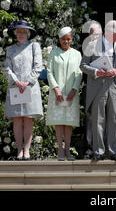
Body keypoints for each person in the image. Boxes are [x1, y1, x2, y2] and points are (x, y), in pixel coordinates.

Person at [80, 20, 116, 161]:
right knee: (98, 120)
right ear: (109, 32)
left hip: (113, 85)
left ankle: (113, 151)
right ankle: (98, 151)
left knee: (113, 119)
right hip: (98, 85)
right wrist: (95, 71)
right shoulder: (91, 45)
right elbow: (82, 65)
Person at [4, 20, 43, 160]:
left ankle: (27, 150)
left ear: (28, 33)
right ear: (15, 34)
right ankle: (19, 150)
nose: (21, 34)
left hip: (30, 87)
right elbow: (7, 68)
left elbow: (38, 66)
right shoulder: (10, 49)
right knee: (17, 119)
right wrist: (16, 81)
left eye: (23, 32)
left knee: (28, 118)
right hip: (15, 87)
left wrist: (27, 82)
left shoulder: (34, 46)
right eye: (18, 32)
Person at [46, 27, 82, 161]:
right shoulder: (54, 53)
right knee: (59, 122)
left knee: (68, 123)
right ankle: (60, 150)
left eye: (68, 39)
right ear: (59, 40)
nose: (66, 41)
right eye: (63, 39)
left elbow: (79, 73)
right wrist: (56, 88)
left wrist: (74, 89)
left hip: (71, 93)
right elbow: (49, 71)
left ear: (71, 39)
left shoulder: (77, 54)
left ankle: (67, 150)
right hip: (58, 93)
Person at [82, 21, 103, 159]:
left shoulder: (110, 47)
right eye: (91, 34)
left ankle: (103, 149)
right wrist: (96, 71)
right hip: (91, 87)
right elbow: (82, 66)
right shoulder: (87, 47)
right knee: (90, 118)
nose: (93, 36)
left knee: (104, 119)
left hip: (105, 87)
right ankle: (89, 148)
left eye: (96, 34)